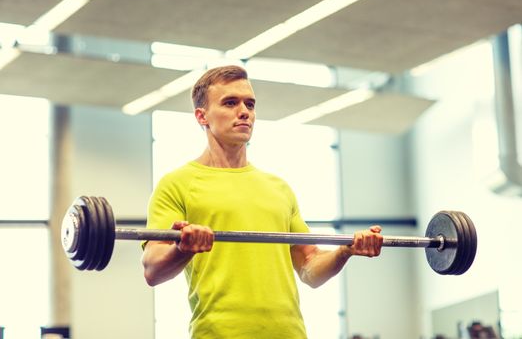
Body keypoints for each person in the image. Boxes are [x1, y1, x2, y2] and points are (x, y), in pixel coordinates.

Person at [141, 65, 383, 339]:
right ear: (202, 116)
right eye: (230, 103)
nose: (244, 111)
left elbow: (309, 269)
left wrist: (345, 251)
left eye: (250, 104)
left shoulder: (278, 188)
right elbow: (152, 269)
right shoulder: (177, 184)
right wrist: (183, 248)